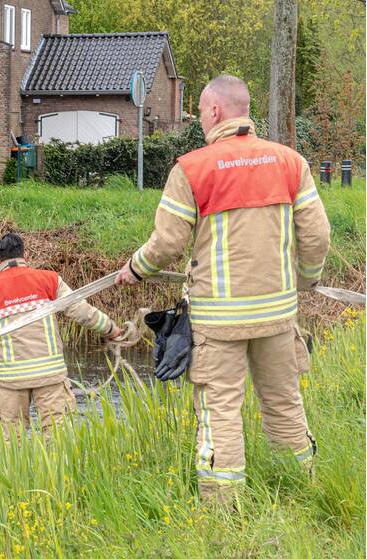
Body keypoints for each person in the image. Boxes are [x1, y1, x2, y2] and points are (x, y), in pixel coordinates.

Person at [115, 74, 331, 506]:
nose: (198, 118)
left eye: (198, 110)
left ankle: (223, 513)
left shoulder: (192, 169)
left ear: (215, 111)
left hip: (219, 323)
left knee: (220, 415)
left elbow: (169, 244)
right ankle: (302, 495)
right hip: (277, 318)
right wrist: (304, 281)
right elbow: (318, 237)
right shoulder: (290, 162)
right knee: (285, 405)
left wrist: (134, 270)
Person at [0, 232, 122, 433]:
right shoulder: (50, 280)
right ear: (26, 256)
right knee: (58, 439)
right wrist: (111, 329)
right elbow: (81, 311)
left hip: (10, 381)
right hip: (50, 376)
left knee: (13, 443)